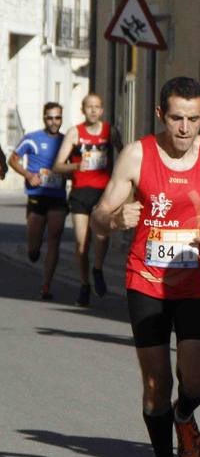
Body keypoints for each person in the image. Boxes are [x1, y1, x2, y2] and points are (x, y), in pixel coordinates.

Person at [91, 77, 200, 457]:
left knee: (194, 380)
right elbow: (99, 215)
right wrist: (114, 219)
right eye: (176, 118)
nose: (184, 129)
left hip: (198, 283)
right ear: (161, 115)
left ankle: (184, 416)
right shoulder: (137, 155)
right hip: (146, 281)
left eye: (193, 120)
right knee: (155, 383)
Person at [53, 93, 122, 306]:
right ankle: (84, 284)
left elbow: (125, 154)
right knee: (81, 244)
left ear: (102, 110)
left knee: (102, 235)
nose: (93, 110)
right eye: (89, 107)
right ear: (83, 110)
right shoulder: (75, 133)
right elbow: (57, 165)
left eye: (97, 107)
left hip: (103, 193)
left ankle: (98, 268)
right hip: (81, 192)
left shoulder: (109, 131)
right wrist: (74, 166)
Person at [9, 102, 69, 300]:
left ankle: (46, 285)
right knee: (34, 246)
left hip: (58, 198)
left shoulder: (66, 141)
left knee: (54, 240)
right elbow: (13, 159)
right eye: (50, 118)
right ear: (44, 118)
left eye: (58, 118)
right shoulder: (32, 139)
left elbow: (74, 164)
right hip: (37, 196)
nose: (54, 122)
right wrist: (28, 175)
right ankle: (32, 251)